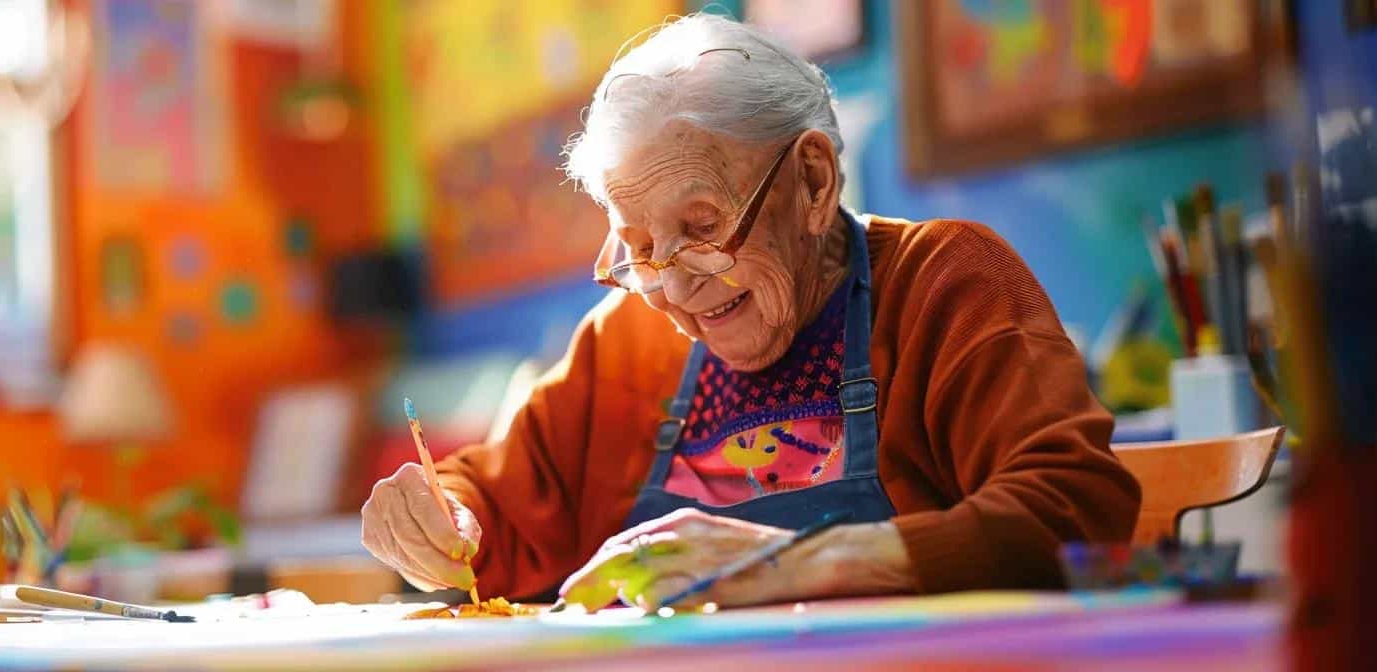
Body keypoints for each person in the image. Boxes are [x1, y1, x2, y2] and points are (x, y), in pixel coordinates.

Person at [360, 14, 1140, 612]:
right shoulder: (625, 342)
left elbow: (1073, 507)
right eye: (637, 248)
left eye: (701, 229)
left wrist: (796, 564)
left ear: (813, 181)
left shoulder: (945, 282)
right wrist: (437, 519)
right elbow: (497, 505)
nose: (670, 286)